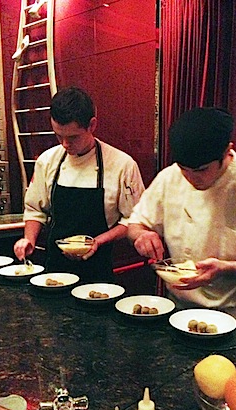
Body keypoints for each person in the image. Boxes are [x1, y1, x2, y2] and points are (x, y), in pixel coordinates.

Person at [128, 107, 236, 331]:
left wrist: (226, 268)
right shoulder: (170, 177)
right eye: (184, 169)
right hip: (179, 313)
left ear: (227, 151)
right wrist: (142, 235)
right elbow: (135, 224)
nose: (190, 178)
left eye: (201, 170)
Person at [14, 86, 145, 282]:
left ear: (92, 125)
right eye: (59, 136)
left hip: (99, 271)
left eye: (73, 137)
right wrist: (28, 239)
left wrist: (97, 242)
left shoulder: (122, 165)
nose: (65, 144)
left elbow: (133, 220)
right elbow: (35, 210)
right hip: (56, 270)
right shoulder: (47, 161)